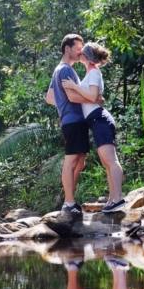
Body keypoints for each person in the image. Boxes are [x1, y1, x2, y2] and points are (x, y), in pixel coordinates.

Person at [62, 42, 125, 213]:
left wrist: (74, 87)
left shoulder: (94, 72)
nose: (79, 55)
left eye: (82, 53)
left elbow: (91, 95)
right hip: (95, 121)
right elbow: (91, 97)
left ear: (87, 57)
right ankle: (113, 200)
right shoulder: (89, 73)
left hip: (100, 119)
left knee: (111, 160)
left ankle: (118, 198)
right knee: (107, 162)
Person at [46, 34, 99, 218]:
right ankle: (68, 203)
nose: (80, 53)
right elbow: (73, 97)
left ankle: (70, 199)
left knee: (80, 161)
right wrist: (94, 99)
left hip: (73, 119)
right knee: (71, 160)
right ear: (67, 49)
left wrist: (62, 106)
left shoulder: (59, 70)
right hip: (73, 120)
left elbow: (50, 97)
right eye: (77, 49)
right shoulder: (66, 70)